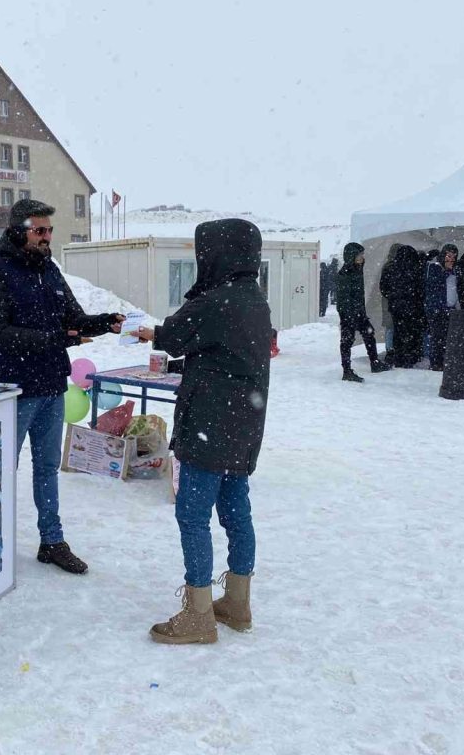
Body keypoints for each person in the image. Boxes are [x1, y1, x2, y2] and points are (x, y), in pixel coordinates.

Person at [131, 219, 271, 645]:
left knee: (193, 516)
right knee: (236, 514)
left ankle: (198, 614)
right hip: (243, 425)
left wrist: (152, 334)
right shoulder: (254, 298)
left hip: (210, 424)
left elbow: (174, 336)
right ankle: (238, 603)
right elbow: (223, 353)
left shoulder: (215, 300)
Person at [0, 198, 124, 575]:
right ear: (17, 231)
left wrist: (105, 322)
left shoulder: (50, 271)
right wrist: (54, 338)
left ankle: (52, 541)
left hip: (52, 388)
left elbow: (73, 318)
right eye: (38, 230)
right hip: (15, 391)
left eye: (49, 230)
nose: (46, 237)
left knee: (46, 469)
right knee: (1, 471)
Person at [336, 242, 391, 382]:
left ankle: (375, 362)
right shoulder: (345, 274)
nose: (362, 257)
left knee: (369, 334)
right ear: (351, 256)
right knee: (347, 341)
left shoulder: (357, 269)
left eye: (362, 254)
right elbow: (343, 299)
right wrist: (350, 316)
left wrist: (360, 312)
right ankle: (347, 371)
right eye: (359, 255)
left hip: (359, 311)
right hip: (348, 313)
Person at [379, 245, 426, 368]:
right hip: (412, 308)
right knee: (411, 332)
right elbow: (420, 290)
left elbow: (383, 288)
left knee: (398, 333)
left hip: (396, 307)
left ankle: (398, 357)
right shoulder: (415, 269)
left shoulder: (390, 268)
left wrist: (393, 297)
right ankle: (410, 357)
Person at [425, 244, 459, 371]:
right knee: (437, 337)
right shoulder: (434, 267)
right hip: (437, 309)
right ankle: (436, 363)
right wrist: (446, 272)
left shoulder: (454, 270)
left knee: (447, 337)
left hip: (450, 308)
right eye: (449, 256)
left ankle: (445, 361)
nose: (451, 259)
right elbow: (433, 284)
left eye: (454, 257)